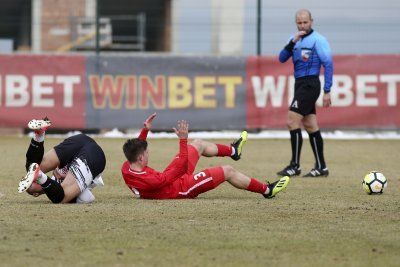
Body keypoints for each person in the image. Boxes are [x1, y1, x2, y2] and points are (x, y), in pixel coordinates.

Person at [121, 113, 290, 199]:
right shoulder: (152, 181)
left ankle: (233, 151)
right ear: (141, 159)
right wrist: (182, 140)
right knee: (228, 171)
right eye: (147, 153)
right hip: (182, 188)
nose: (148, 154)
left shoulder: (127, 166)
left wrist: (145, 130)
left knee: (198, 144)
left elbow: (138, 148)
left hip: (170, 178)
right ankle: (267, 190)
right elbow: (180, 168)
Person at [277, 9, 333, 177]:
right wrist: (292, 43)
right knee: (310, 125)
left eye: (305, 22)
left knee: (291, 120)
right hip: (299, 84)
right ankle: (321, 167)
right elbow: (281, 58)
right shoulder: (294, 40)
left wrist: (327, 90)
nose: (302, 25)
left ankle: (295, 165)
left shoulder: (319, 40)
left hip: (310, 84)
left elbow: (328, 64)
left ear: (311, 22)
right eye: (299, 23)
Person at [18, 117, 106, 204]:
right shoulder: (58, 187)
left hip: (81, 144)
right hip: (93, 154)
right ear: (35, 194)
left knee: (33, 166)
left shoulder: (55, 179)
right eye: (34, 181)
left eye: (32, 177)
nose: (31, 178)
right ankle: (39, 136)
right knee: (60, 197)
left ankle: (39, 135)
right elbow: (88, 198)